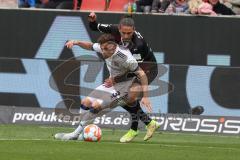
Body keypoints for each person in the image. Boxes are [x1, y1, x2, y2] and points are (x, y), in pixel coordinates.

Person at [54, 34, 152, 141]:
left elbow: (141, 74)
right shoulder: (105, 47)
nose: (103, 51)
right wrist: (76, 42)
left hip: (123, 88)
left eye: (105, 49)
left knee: (96, 106)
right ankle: (82, 133)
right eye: (102, 49)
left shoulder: (126, 58)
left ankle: (74, 134)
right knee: (85, 103)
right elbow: (90, 46)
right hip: (111, 84)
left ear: (113, 47)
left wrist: (146, 96)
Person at [88, 12, 161, 143]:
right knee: (124, 98)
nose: (126, 36)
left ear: (134, 30)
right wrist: (93, 20)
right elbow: (94, 27)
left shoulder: (138, 45)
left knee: (130, 96)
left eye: (129, 33)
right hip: (129, 69)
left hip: (147, 69)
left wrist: (116, 80)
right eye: (123, 33)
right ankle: (149, 123)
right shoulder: (113, 29)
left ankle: (134, 129)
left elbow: (136, 71)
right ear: (119, 29)